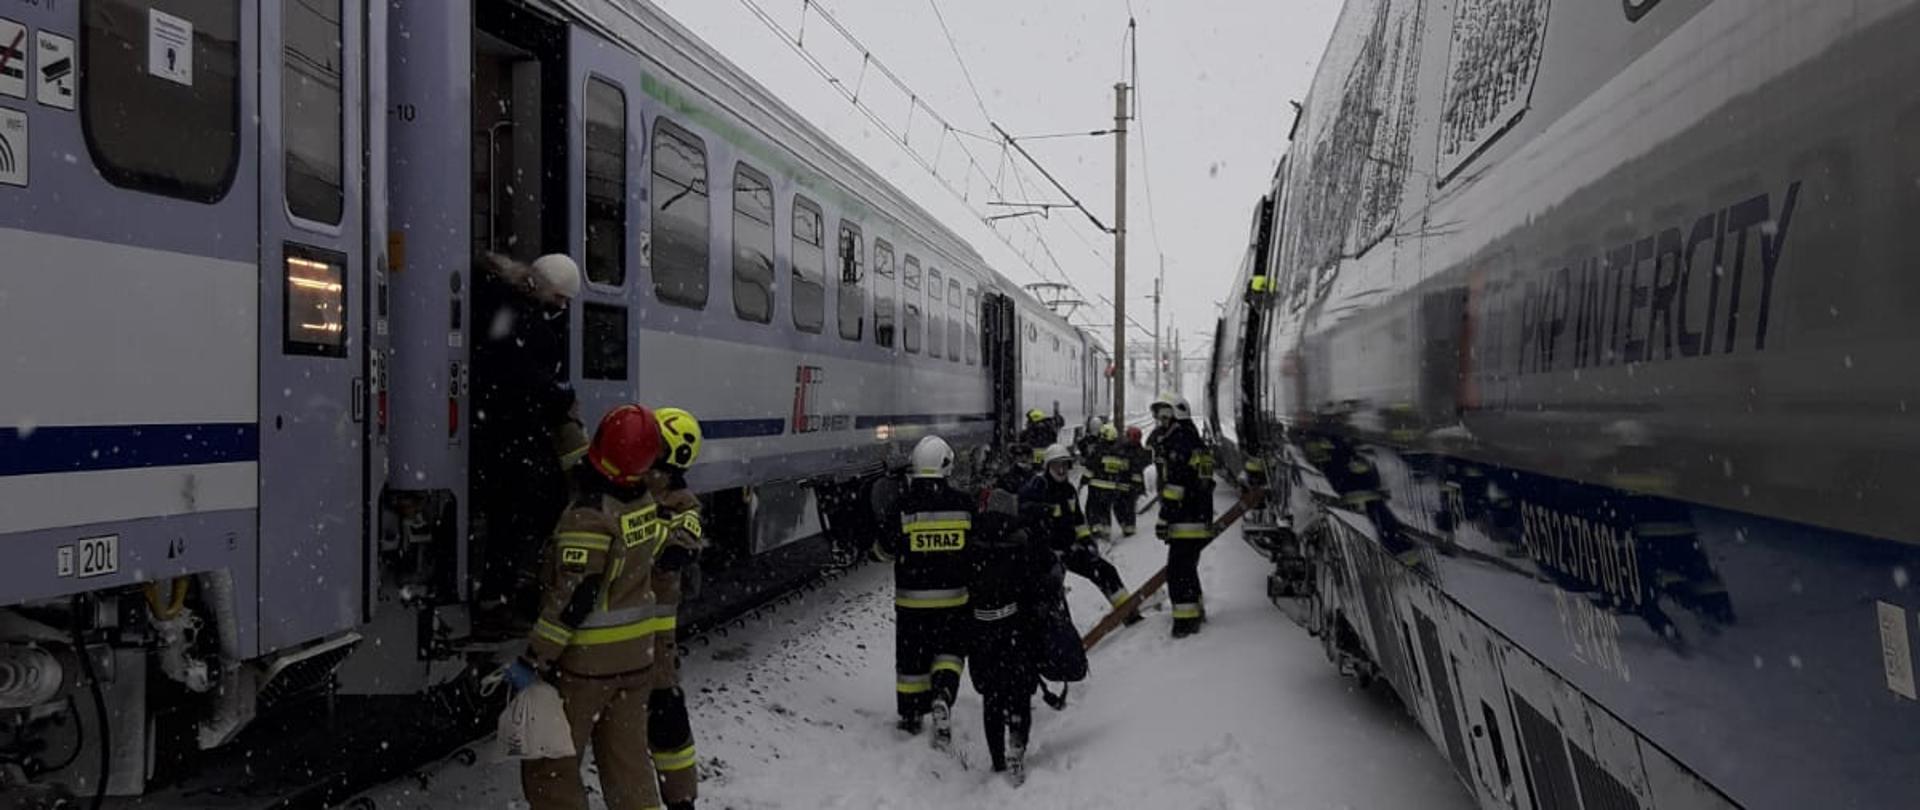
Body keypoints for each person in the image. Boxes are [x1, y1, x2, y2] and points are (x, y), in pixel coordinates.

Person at [505, 404, 672, 810]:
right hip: (635, 664)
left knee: (551, 767)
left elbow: (571, 603)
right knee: (629, 767)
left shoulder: (589, 518)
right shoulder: (642, 501)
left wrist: (534, 659)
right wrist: (565, 420)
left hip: (587, 669)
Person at [472, 252, 584, 623]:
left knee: (509, 510)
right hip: (510, 433)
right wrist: (561, 395)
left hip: (492, 429)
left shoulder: (501, 302)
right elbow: (525, 380)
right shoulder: (526, 321)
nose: (563, 307)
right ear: (548, 288)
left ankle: (501, 589)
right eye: (562, 298)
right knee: (532, 504)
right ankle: (506, 593)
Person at [872, 436, 975, 748]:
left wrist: (882, 550)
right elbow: (975, 548)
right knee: (950, 653)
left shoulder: (901, 507)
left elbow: (885, 550)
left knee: (911, 661)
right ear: (945, 465)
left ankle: (911, 716)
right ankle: (943, 694)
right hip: (954, 601)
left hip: (911, 603)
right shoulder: (963, 505)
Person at [965, 479, 1059, 785]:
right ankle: (1017, 744)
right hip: (1015, 628)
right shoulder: (1023, 539)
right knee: (1019, 692)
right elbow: (1040, 582)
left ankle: (996, 760)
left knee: (992, 696)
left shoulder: (972, 540)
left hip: (981, 629)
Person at [639, 407, 707, 810]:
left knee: (663, 715)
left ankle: (681, 800)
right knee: (662, 716)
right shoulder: (640, 491)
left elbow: (682, 543)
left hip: (651, 644)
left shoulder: (680, 505)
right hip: (642, 642)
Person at [1020, 445, 1136, 617]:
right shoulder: (1038, 486)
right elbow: (1023, 509)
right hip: (1046, 554)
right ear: (1047, 467)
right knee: (1052, 594)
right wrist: (1044, 511)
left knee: (1105, 571)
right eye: (1056, 465)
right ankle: (1058, 634)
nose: (1061, 470)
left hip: (1069, 549)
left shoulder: (1068, 490)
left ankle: (1128, 612)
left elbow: (1078, 521)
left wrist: (1087, 542)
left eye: (1064, 465)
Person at [1156, 395, 1218, 638]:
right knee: (1187, 568)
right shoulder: (1190, 438)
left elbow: (1175, 487)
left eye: (1164, 416)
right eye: (1159, 416)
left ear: (1177, 415)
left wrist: (1163, 519)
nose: (1160, 422)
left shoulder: (1179, 442)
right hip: (1197, 517)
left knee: (1178, 572)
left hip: (1186, 519)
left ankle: (1185, 622)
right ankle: (1196, 610)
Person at [1083, 422, 1131, 543]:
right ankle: (1106, 531)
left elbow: (1090, 467)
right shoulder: (1119, 453)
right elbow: (1123, 470)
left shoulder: (1099, 450)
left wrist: (1084, 480)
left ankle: (1096, 531)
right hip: (1111, 489)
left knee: (1093, 508)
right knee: (1105, 510)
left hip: (1096, 487)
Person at [1118, 426, 1152, 536]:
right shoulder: (1140, 451)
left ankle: (1127, 526)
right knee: (1127, 507)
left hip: (1125, 484)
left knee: (1123, 506)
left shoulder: (1124, 450)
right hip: (1130, 485)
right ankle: (1128, 527)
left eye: (1127, 436)